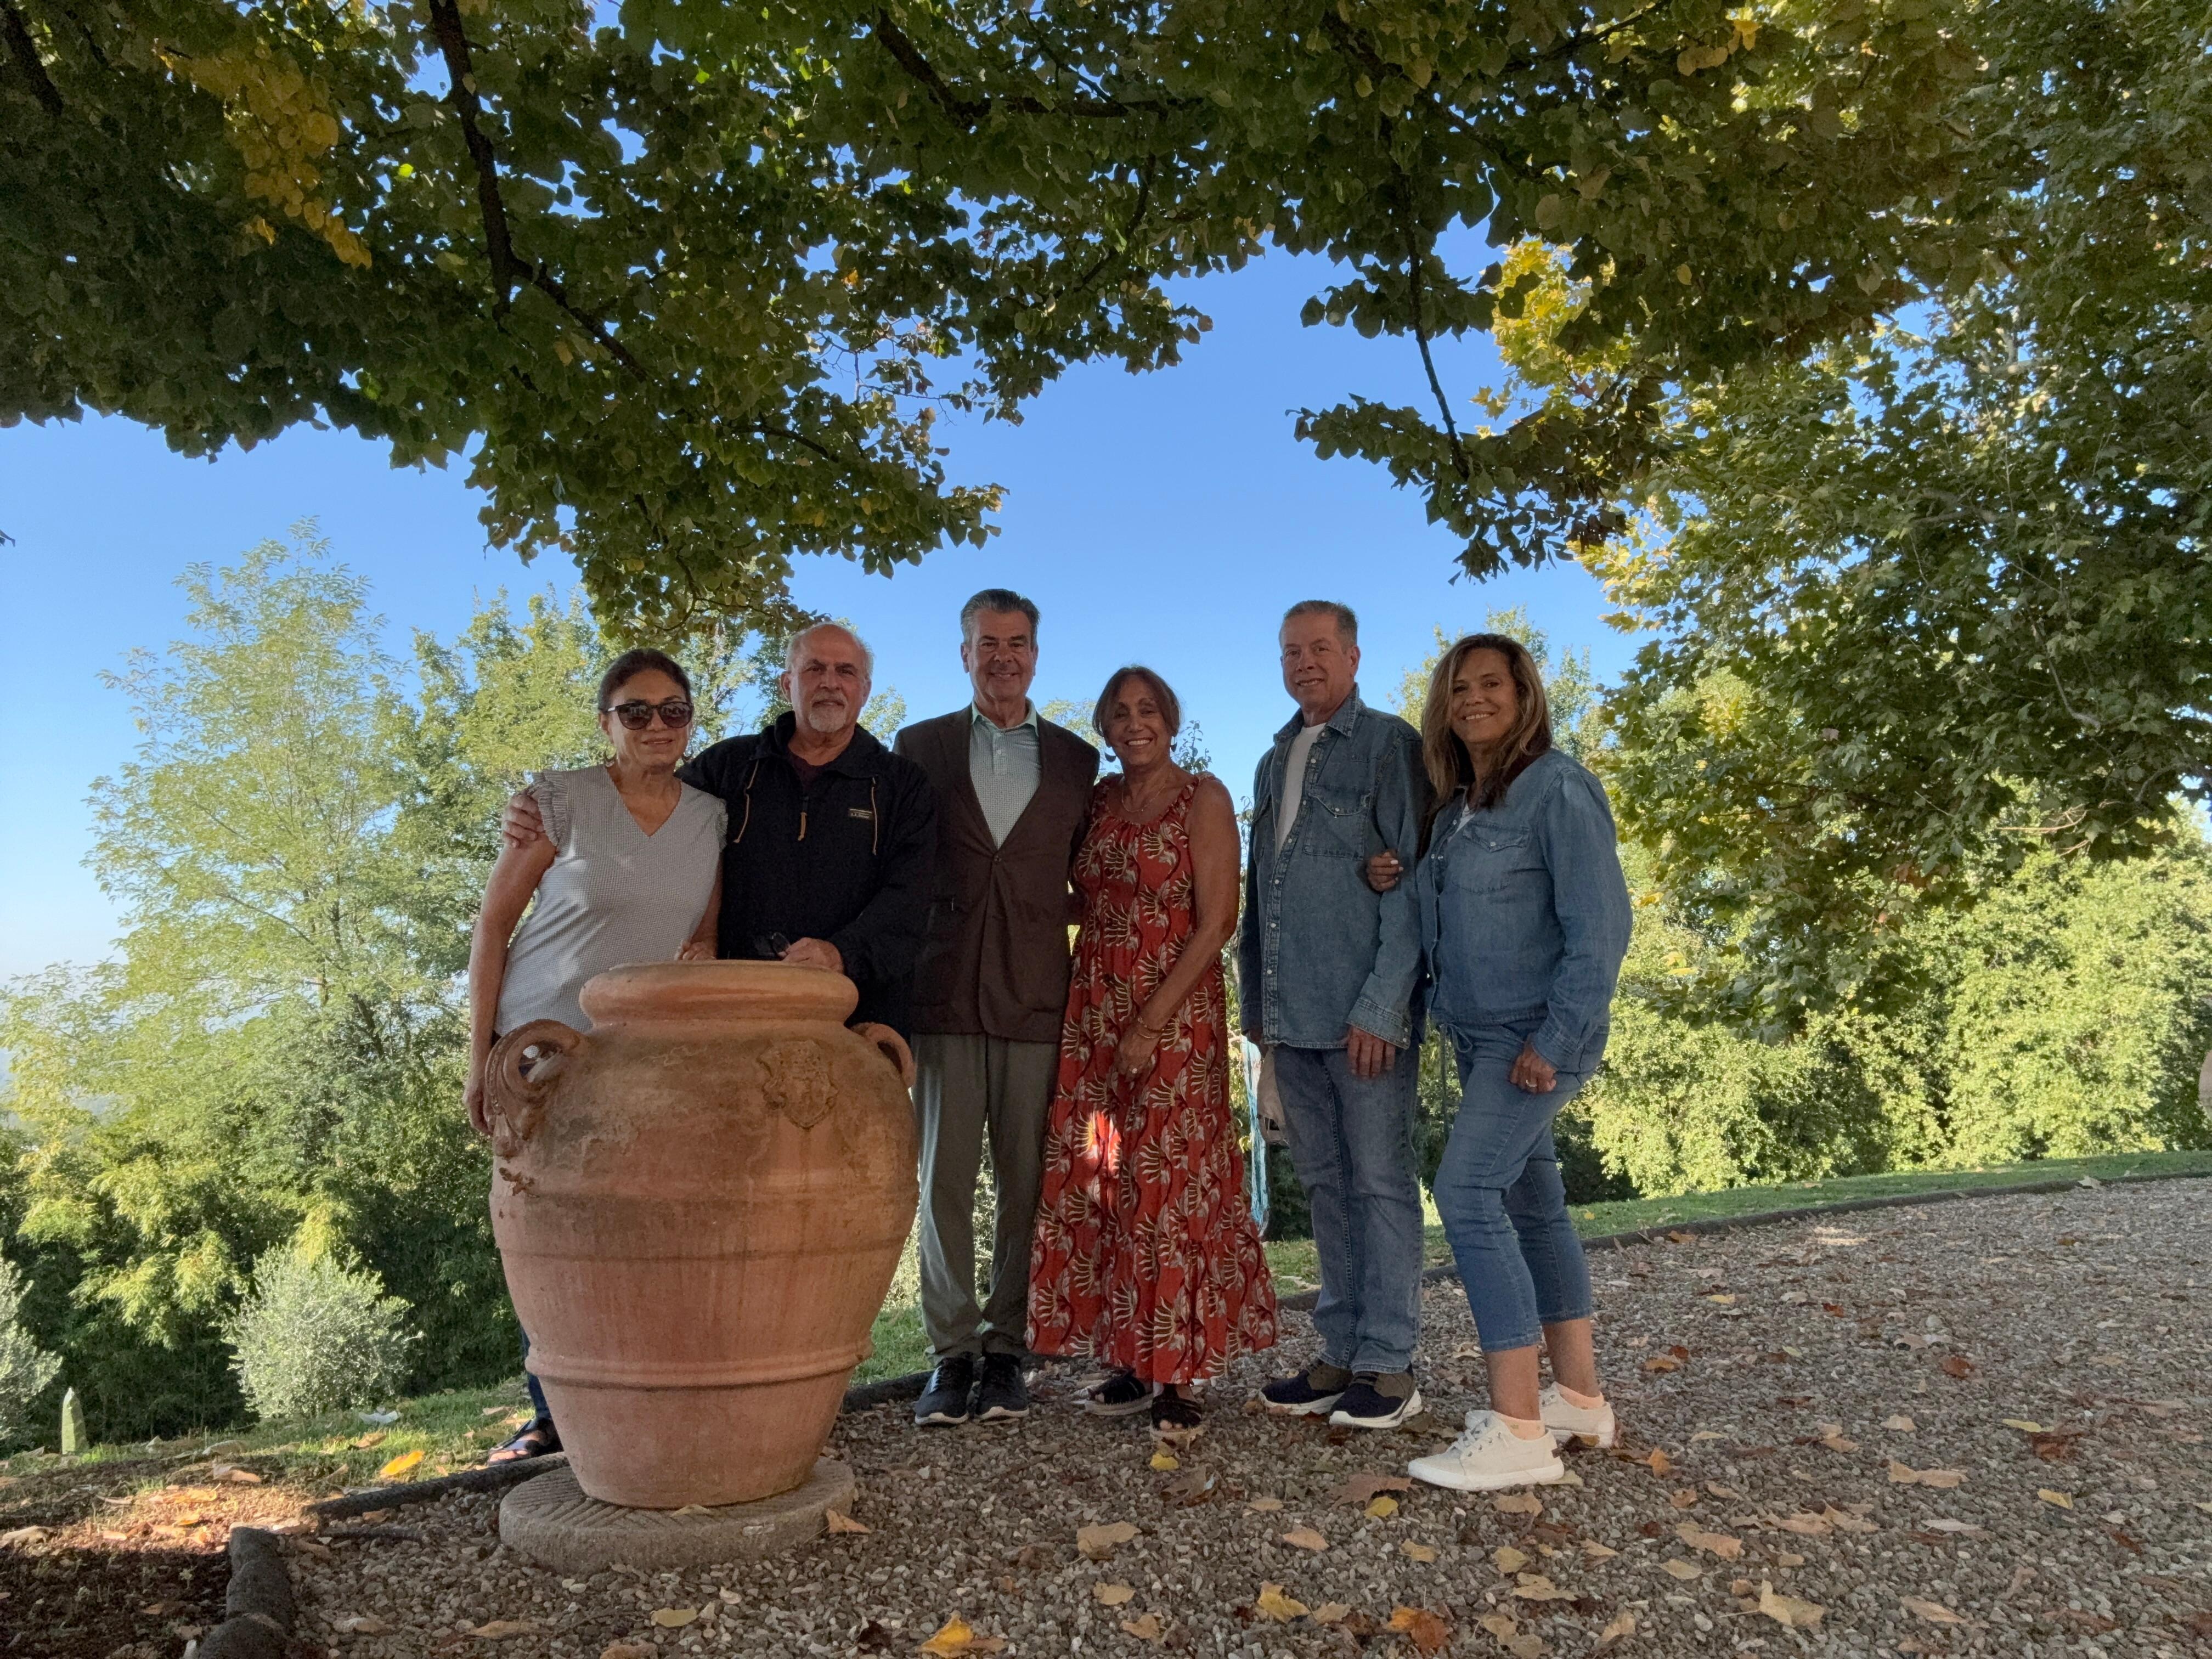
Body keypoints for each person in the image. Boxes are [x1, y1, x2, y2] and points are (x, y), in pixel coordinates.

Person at [1378, 634, 1632, 1491]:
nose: (1473, 700)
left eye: (1492, 685)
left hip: (1533, 1039)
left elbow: (1601, 935)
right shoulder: (1458, 811)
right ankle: (1579, 1401)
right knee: (1535, 1201)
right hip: (1479, 1036)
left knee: (1465, 1192)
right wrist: (1395, 873)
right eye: (1458, 689)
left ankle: (1519, 1428)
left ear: (1525, 696)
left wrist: (1553, 1044)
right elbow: (1439, 903)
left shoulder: (1558, 790)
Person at [468, 648, 726, 1462]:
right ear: (605, 722)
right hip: (537, 1052)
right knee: (545, 1229)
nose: (656, 725)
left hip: (632, 1058)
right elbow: (491, 928)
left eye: (673, 710)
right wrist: (479, 1056)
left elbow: (704, 940)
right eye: (636, 711)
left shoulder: (711, 817)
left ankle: (631, 1403)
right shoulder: (560, 802)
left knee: (632, 1229)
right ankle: (552, 1413)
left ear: (691, 721)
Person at [1028, 668, 1277, 1437]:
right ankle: (1134, 1359)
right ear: (1104, 726)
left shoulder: (1202, 796)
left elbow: (1218, 920)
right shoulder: (1099, 802)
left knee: (1175, 1186)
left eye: (1149, 710)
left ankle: (1184, 1371)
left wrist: (1149, 1025)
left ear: (1171, 720)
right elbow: (1085, 896)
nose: (1135, 723)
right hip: (1095, 1009)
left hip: (1174, 1015)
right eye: (1120, 713)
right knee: (1111, 1180)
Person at [500, 622, 937, 1036]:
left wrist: (841, 953)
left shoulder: (903, 785)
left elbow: (910, 899)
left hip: (854, 1019)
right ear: (788, 684)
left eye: (846, 671)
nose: (830, 682)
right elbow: (650, 809)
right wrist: (535, 807)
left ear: (864, 690)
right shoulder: (728, 767)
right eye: (814, 669)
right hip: (729, 1020)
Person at [894, 591, 1099, 1426]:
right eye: (987, 643)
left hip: (1036, 996)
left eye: (1017, 644)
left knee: (1026, 1184)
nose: (1003, 657)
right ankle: (951, 1355)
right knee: (941, 1182)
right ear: (964, 654)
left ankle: (1007, 1349)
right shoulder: (920, 747)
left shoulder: (1078, 762)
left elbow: (1101, 871)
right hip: (942, 993)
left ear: (1036, 657)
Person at [1242, 601, 1433, 1430]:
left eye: (1321, 648)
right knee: (1324, 1185)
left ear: (1353, 655)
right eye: (1292, 651)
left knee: (1382, 1185)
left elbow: (1413, 882)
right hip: (1292, 1015)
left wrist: (1384, 1007)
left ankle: (1389, 1362)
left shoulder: (1391, 746)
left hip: (1364, 1017)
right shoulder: (1273, 760)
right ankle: (1341, 1350)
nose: (1305, 663)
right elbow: (1260, 898)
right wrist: (1257, 1010)